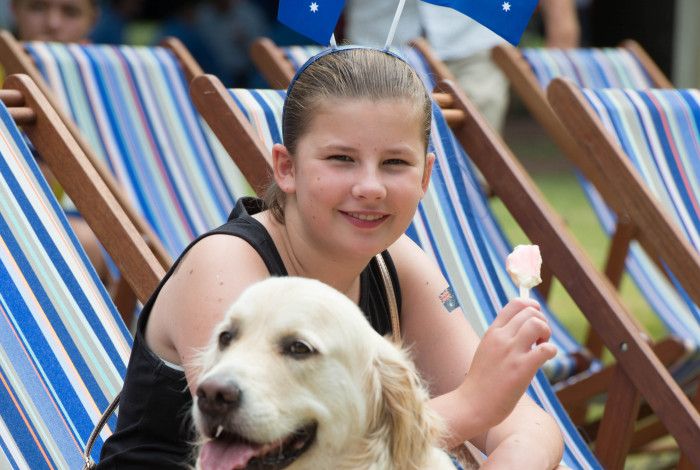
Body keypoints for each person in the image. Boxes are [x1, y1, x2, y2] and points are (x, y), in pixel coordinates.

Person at [98, 47, 564, 468]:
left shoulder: (396, 265)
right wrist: (469, 408)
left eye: (395, 163)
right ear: (287, 168)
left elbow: (531, 429)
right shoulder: (226, 263)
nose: (370, 187)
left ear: (425, 178)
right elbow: (261, 448)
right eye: (341, 158)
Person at [345, 0, 580, 133]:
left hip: (475, 40)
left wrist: (561, 32)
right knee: (373, 143)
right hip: (377, 39)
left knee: (478, 162)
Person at [8, 0, 109, 281]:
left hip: (85, 219)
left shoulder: (107, 86)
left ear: (93, 19)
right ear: (15, 10)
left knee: (84, 241)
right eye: (38, 8)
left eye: (71, 12)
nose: (52, 24)